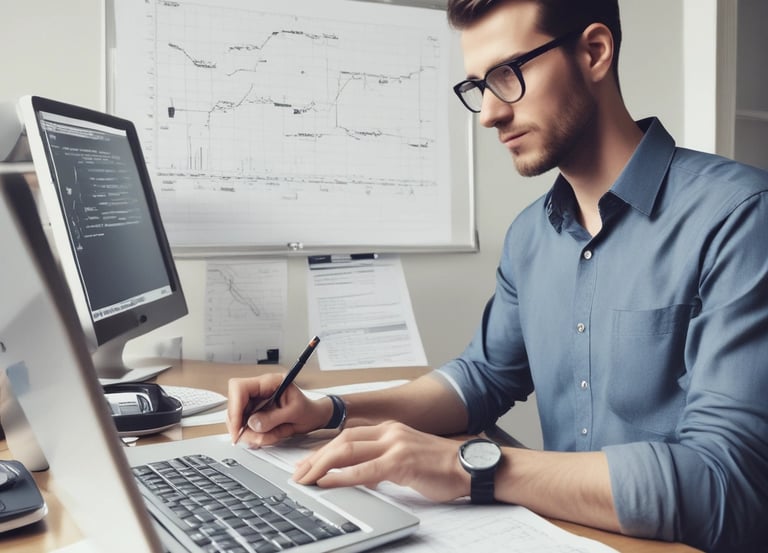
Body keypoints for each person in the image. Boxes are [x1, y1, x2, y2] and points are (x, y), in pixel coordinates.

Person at [227, 1, 768, 551]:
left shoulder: (740, 216)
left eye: (508, 74)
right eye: (477, 86)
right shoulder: (530, 235)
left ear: (594, 52)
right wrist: (328, 409)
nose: (488, 113)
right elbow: (481, 378)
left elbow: (727, 487)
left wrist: (472, 466)